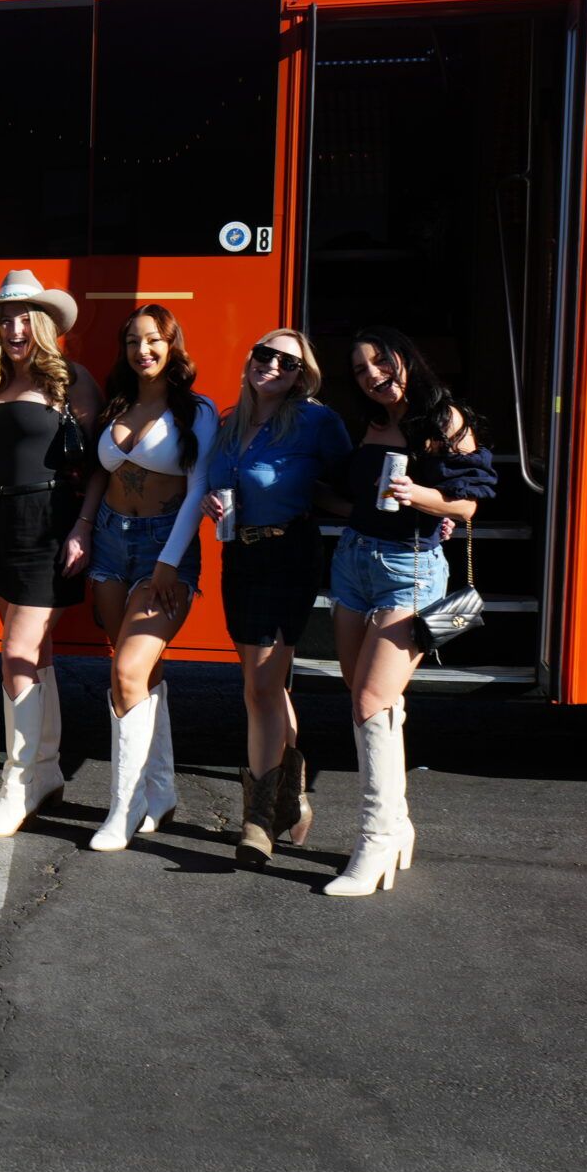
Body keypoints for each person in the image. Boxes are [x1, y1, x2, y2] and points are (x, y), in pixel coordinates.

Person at [324, 326, 494, 897]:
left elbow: (467, 504)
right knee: (365, 698)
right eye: (360, 370)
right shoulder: (364, 422)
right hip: (353, 560)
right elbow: (337, 491)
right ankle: (397, 827)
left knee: (373, 699)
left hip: (411, 567)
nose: (372, 376)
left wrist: (415, 495)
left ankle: (373, 842)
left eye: (379, 362)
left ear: (405, 360)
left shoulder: (445, 419)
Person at [200, 329, 352, 865]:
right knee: (261, 686)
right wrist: (211, 509)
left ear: (300, 375)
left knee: (263, 686)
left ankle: (258, 818)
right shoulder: (228, 422)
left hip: (289, 555)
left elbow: (351, 484)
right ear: (250, 361)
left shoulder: (316, 421)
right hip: (239, 557)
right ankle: (292, 795)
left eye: (289, 362)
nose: (274, 366)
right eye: (266, 354)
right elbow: (211, 486)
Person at [0, 272, 101, 839]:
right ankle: (44, 770)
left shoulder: (72, 380)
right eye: (4, 318)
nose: (14, 328)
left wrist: (84, 528)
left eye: (23, 317)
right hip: (0, 520)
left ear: (42, 324)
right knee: (36, 652)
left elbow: (96, 466)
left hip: (52, 521)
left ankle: (17, 785)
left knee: (14, 651)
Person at [80, 304, 222, 853]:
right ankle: (160, 792)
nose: (144, 350)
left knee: (125, 671)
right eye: (135, 342)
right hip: (111, 544)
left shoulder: (197, 411)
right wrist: (85, 528)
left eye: (155, 340)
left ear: (173, 345)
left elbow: (197, 489)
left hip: (165, 547)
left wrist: (169, 559)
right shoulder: (117, 403)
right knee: (140, 671)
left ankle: (125, 804)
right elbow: (99, 473)